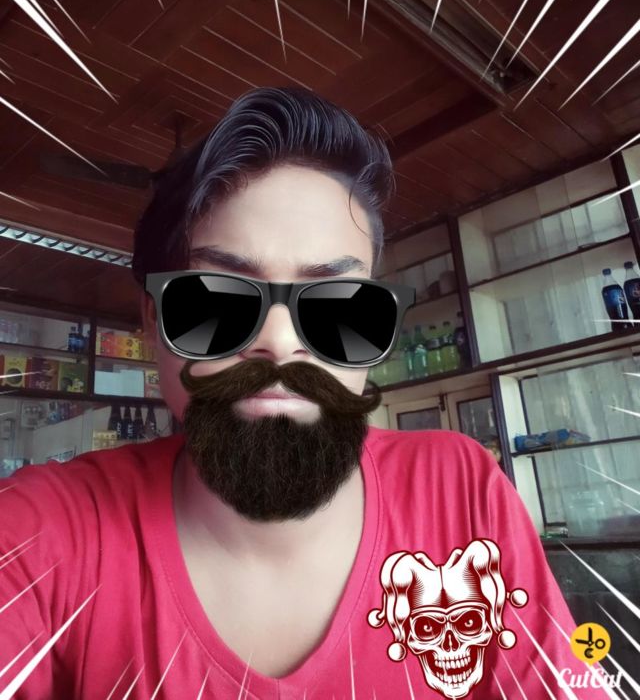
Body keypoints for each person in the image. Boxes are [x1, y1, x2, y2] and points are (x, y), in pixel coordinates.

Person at [0, 88, 614, 699]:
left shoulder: (461, 490)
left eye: (338, 304)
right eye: (215, 299)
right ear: (152, 320)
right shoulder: (43, 534)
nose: (280, 342)